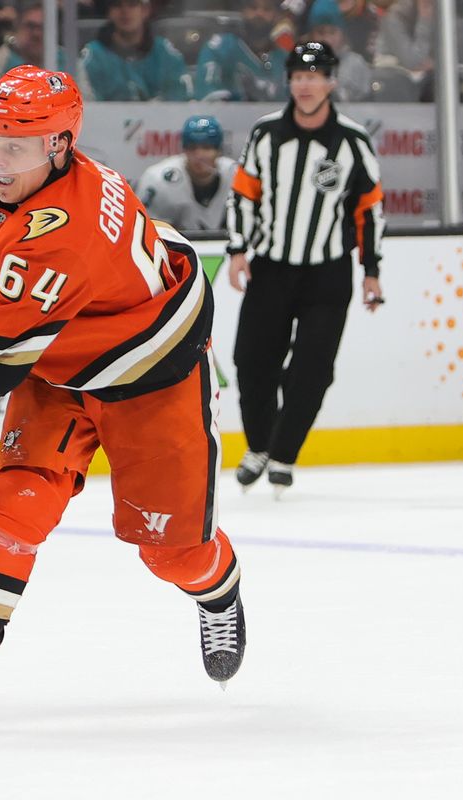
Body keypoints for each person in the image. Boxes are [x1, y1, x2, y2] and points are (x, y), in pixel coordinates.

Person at [0, 65, 245, 730]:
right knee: (15, 503)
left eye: (14, 146)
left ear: (59, 145)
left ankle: (220, 590)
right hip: (58, 363)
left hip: (149, 371)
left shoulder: (68, 233)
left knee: (170, 551)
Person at [225, 41, 385, 495]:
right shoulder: (266, 133)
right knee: (252, 361)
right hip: (271, 266)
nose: (306, 85)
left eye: (314, 76)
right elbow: (243, 194)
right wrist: (238, 250)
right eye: (298, 76)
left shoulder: (353, 140)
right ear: (289, 82)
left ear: (331, 81)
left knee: (313, 367)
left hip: (327, 274)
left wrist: (371, 270)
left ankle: (283, 453)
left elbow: (369, 210)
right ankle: (259, 446)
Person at [138, 115, 237, 231]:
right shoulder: (158, 180)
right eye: (192, 148)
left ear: (219, 150)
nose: (199, 155)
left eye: (206, 147)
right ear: (184, 149)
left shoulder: (237, 174)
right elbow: (144, 230)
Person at [76, 0, 190, 101]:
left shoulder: (165, 53)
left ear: (145, 10)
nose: (125, 11)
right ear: (109, 12)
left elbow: (179, 99)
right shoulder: (93, 55)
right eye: (117, 4)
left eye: (132, 4)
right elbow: (89, 105)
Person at [194, 0, 292, 101]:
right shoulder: (219, 48)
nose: (259, 13)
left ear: (276, 16)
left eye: (267, 9)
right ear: (242, 11)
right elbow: (207, 99)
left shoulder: (284, 60)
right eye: (253, 7)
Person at [0, 1, 67, 94]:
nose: (36, 34)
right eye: (30, 26)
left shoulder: (66, 59)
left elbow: (83, 100)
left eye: (42, 27)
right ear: (17, 26)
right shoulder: (1, 60)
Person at [306, 0, 371, 103]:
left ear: (342, 34)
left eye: (332, 32)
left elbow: (366, 104)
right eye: (320, 33)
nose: (327, 39)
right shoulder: (302, 64)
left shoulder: (355, 63)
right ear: (311, 36)